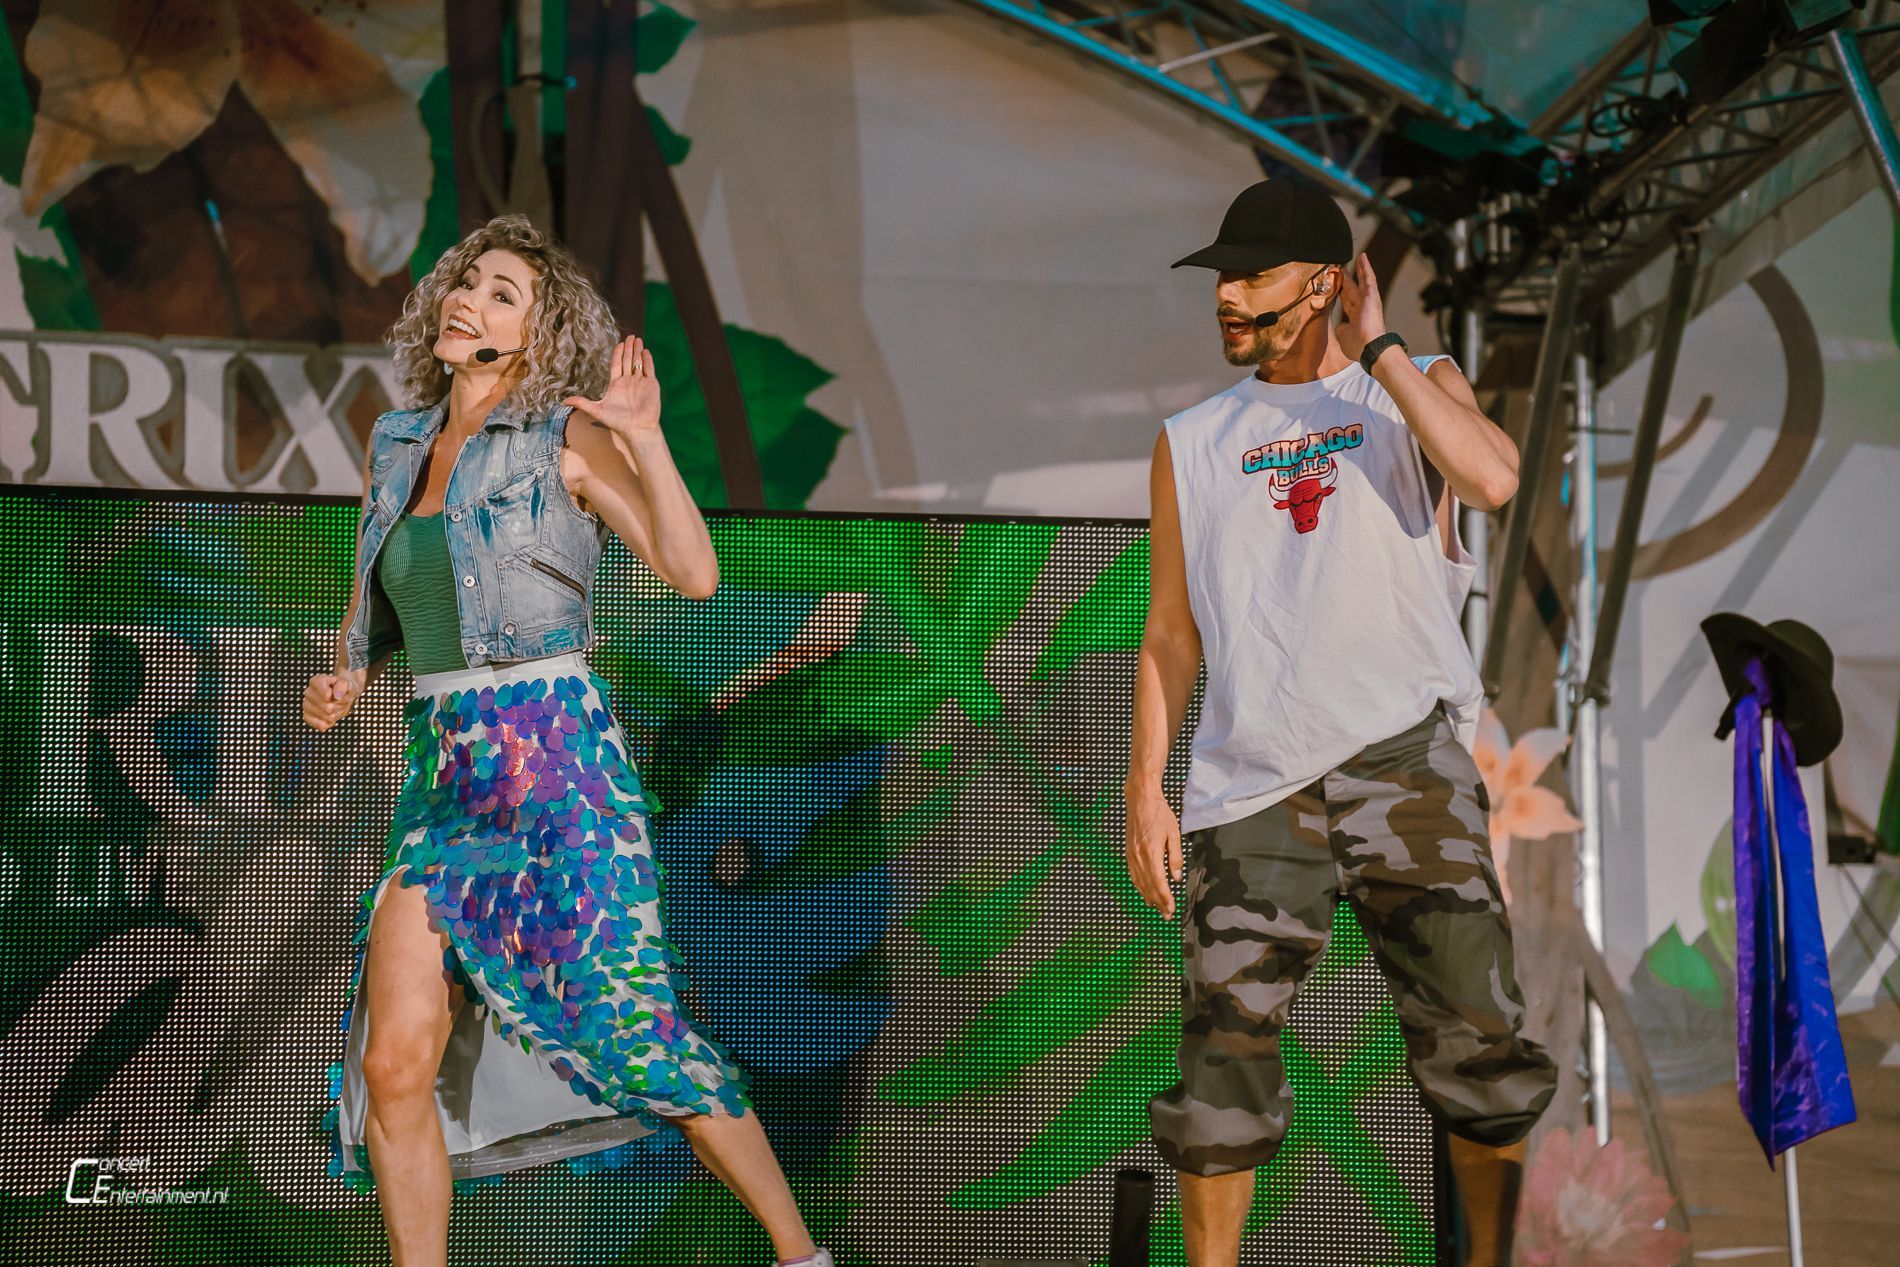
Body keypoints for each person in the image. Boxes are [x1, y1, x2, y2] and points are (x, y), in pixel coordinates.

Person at [302, 214, 832, 1267]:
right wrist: (347, 672)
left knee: (634, 1036)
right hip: (444, 778)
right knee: (395, 1062)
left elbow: (693, 572)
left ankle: (801, 1257)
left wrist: (645, 437)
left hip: (554, 768)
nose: (470, 299)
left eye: (502, 294)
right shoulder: (396, 443)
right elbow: (385, 603)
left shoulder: (561, 440)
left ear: (537, 337)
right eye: (468, 281)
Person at [1125, 179, 1556, 1267]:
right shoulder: (1191, 440)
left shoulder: (1411, 387)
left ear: (1324, 283)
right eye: (1221, 277)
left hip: (1406, 761)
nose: (1227, 296)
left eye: (1252, 276)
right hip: (1253, 784)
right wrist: (1144, 787)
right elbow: (1169, 632)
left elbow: (1493, 478)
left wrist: (1385, 351)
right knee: (1221, 1059)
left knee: (1479, 1043)